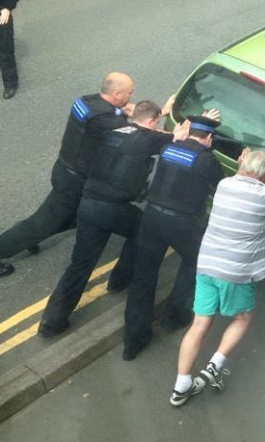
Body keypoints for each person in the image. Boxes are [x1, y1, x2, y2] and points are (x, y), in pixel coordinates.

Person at [37, 100, 190, 338]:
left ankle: (52, 320)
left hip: (87, 204)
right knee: (142, 228)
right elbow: (173, 138)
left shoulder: (116, 131)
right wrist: (180, 133)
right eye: (157, 121)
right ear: (151, 121)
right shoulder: (149, 138)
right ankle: (120, 279)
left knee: (80, 265)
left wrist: (164, 112)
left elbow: (146, 133)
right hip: (112, 207)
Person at [170, 149, 265, 406]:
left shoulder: (225, 184)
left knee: (199, 324)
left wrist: (252, 167)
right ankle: (214, 366)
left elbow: (245, 181)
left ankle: (181, 387)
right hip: (236, 270)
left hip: (208, 265)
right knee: (243, 317)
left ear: (242, 164)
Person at [0, 72, 137, 278]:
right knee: (44, 224)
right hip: (74, 182)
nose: (132, 95)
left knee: (75, 217)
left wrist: (121, 111)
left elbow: (108, 117)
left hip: (65, 170)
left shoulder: (86, 101)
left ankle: (28, 236)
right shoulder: (107, 119)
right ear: (116, 94)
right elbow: (135, 134)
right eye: (130, 93)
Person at [122, 112, 224, 361]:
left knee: (143, 278)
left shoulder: (169, 148)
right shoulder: (207, 159)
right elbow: (222, 187)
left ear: (190, 132)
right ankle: (174, 315)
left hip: (152, 217)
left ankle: (133, 342)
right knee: (197, 260)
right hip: (182, 223)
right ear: (209, 137)